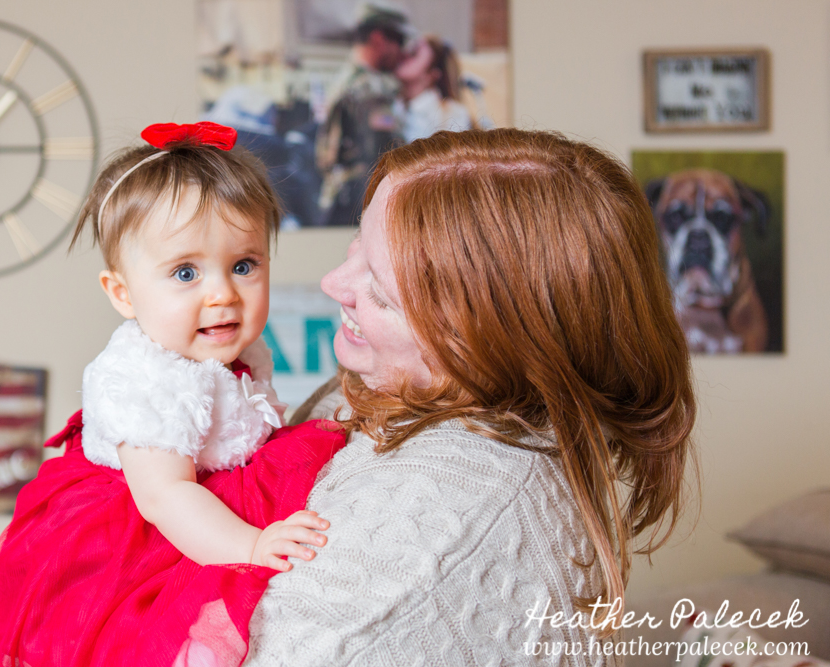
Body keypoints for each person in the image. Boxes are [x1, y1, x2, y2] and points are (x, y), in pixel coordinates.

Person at [243, 128, 697, 665]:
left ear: (487, 340)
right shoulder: (383, 383)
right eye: (357, 244)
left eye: (382, 295)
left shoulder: (441, 532)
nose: (333, 283)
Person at [0, 121, 345, 667]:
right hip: (137, 530)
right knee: (155, 642)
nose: (222, 293)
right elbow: (166, 498)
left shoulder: (232, 351)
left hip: (206, 499)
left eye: (243, 265)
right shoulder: (141, 377)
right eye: (185, 272)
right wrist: (251, 547)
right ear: (124, 294)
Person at [316, 5, 409, 226]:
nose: (401, 52)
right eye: (399, 41)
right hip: (361, 203)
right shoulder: (367, 88)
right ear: (378, 39)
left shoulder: (346, 78)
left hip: (345, 199)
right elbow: (381, 154)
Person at [395, 35, 474, 142]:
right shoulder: (394, 104)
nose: (404, 56)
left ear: (432, 74)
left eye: (414, 53)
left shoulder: (453, 114)